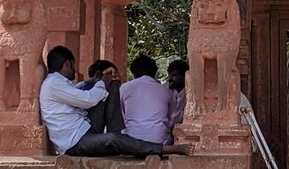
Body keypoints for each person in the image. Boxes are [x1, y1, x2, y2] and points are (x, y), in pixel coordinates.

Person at [39, 45, 193, 158]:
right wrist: (102, 82)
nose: (75, 70)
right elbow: (88, 100)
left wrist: (106, 81)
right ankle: (167, 149)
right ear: (67, 63)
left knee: (113, 87)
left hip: (84, 129)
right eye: (73, 65)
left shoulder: (59, 83)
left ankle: (117, 132)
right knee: (114, 140)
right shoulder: (53, 84)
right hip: (74, 142)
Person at [120, 53, 183, 147]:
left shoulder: (123, 88)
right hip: (160, 142)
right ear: (155, 72)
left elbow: (123, 115)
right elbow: (171, 119)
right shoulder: (166, 91)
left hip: (131, 142)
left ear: (133, 72)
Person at [77, 59, 125, 134]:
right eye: (113, 75)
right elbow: (114, 127)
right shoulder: (110, 87)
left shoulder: (78, 86)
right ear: (99, 74)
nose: (117, 79)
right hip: (90, 136)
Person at [167, 58, 188, 128]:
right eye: (169, 75)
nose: (170, 79)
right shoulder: (165, 90)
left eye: (174, 76)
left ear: (184, 76)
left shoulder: (190, 92)